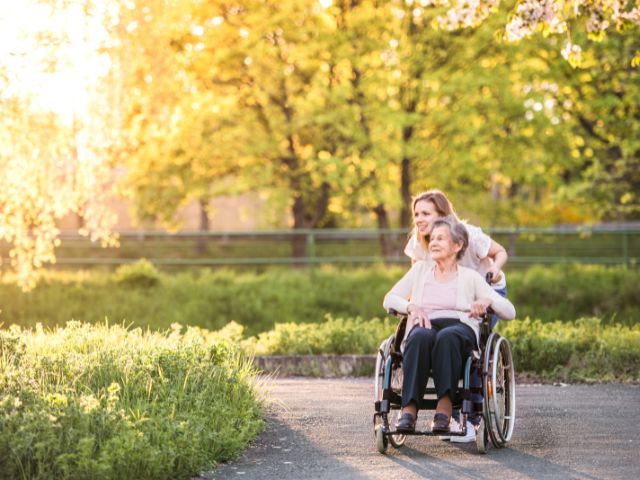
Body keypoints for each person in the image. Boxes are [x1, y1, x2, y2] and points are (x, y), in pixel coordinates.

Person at [382, 216, 516, 436]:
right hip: (425, 324)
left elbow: (510, 311)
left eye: (441, 238)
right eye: (432, 238)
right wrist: (411, 307)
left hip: (459, 328)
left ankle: (444, 408)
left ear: (457, 245)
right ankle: (409, 410)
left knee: (447, 337)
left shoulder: (471, 277)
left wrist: (488, 301)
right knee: (419, 337)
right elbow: (389, 298)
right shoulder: (420, 271)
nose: (433, 243)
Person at [405, 189, 508, 304]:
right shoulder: (418, 242)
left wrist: (495, 268)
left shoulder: (469, 234)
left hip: (487, 291)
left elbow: (500, 252)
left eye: (426, 214)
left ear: (442, 216)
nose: (418, 219)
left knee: (468, 320)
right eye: (416, 214)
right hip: (453, 293)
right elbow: (416, 279)